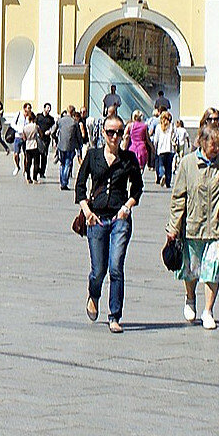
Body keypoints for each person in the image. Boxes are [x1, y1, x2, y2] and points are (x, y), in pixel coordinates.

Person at [168, 111, 219, 330]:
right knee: (192, 269)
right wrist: (173, 227)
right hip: (193, 227)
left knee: (212, 270)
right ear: (202, 142)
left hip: (217, 227)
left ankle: (208, 310)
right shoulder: (187, 164)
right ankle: (190, 297)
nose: (216, 149)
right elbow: (178, 198)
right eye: (212, 144)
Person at [73, 114, 142, 332]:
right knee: (98, 270)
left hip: (119, 219)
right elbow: (80, 186)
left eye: (119, 132)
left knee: (116, 267)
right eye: (110, 132)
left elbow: (137, 188)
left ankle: (114, 315)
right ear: (103, 133)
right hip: (96, 219)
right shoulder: (93, 156)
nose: (114, 136)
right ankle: (94, 294)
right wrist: (87, 211)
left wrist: (127, 207)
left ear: (124, 134)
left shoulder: (129, 159)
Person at [53, 106, 81, 189]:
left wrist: (56, 140)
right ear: (73, 112)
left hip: (61, 145)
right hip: (70, 146)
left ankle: (62, 181)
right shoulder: (74, 122)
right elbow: (78, 135)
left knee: (62, 163)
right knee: (68, 164)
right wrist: (79, 144)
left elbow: (53, 131)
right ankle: (64, 183)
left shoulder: (60, 120)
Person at [16, 104, 42, 182]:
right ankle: (34, 178)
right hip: (35, 145)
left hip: (28, 145)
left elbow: (24, 137)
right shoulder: (36, 126)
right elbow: (41, 135)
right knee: (36, 162)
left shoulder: (25, 127)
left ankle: (28, 178)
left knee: (28, 162)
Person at [154, 110, 180, 188]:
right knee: (169, 166)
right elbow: (176, 137)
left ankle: (162, 175)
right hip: (170, 149)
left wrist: (155, 148)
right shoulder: (172, 126)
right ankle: (168, 182)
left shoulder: (159, 127)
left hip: (161, 149)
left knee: (161, 164)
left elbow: (156, 139)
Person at [33, 104, 56, 182]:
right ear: (44, 108)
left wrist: (50, 131)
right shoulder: (39, 116)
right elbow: (34, 124)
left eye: (50, 108)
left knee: (44, 155)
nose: (48, 109)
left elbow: (53, 127)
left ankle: (42, 172)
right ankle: (37, 169)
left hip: (46, 139)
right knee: (37, 154)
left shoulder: (51, 119)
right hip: (39, 138)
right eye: (47, 108)